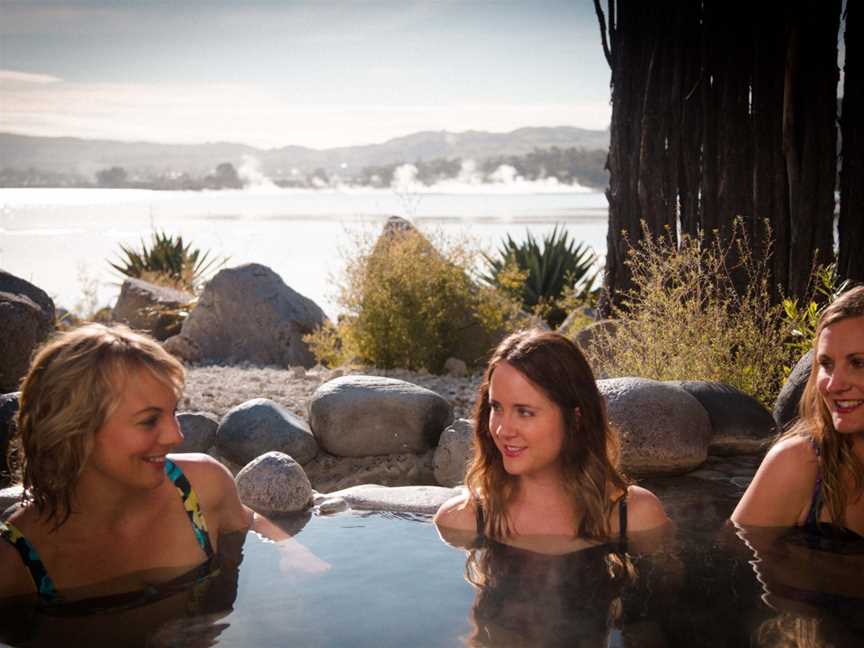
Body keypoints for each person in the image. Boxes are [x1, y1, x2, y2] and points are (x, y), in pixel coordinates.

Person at [0, 323, 256, 606]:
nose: (176, 436)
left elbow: (250, 523)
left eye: (174, 412)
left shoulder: (200, 488)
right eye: (149, 420)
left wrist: (296, 557)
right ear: (76, 432)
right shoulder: (17, 561)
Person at [434, 329, 668, 551]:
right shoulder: (462, 520)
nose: (503, 430)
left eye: (525, 412)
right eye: (496, 407)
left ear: (576, 418)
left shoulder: (636, 517)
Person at [732, 285, 864, 539]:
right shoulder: (798, 462)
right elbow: (734, 567)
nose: (833, 385)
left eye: (858, 363)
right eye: (825, 364)